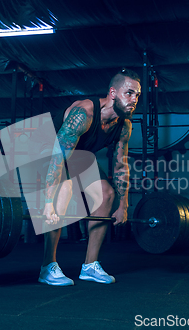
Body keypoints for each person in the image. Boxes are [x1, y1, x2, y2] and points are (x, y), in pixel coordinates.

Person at [38, 69, 141, 286]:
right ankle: (48, 266)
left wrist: (123, 204)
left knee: (107, 194)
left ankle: (90, 266)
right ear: (113, 93)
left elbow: (120, 165)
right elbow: (58, 159)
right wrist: (48, 203)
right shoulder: (83, 114)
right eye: (129, 93)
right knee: (63, 190)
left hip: (80, 156)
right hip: (50, 152)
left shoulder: (124, 125)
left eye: (137, 95)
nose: (134, 100)